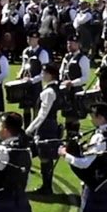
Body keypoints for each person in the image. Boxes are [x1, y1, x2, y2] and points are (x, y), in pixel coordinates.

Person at [25, 63, 65, 195]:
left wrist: (29, 129)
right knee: (43, 156)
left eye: (44, 73)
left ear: (50, 74)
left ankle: (47, 187)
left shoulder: (49, 92)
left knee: (45, 157)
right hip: (50, 124)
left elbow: (42, 114)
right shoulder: (54, 88)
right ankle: (46, 186)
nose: (42, 75)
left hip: (46, 126)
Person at [60, 36, 91, 138]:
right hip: (65, 90)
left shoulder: (83, 58)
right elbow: (62, 72)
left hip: (76, 90)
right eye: (68, 43)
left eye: (72, 43)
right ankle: (68, 137)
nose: (69, 45)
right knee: (67, 115)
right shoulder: (66, 57)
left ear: (78, 44)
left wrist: (72, 83)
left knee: (74, 116)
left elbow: (85, 77)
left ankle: (74, 138)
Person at [17, 32, 50, 126]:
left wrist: (32, 80)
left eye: (32, 38)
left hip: (36, 84)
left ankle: (35, 129)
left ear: (37, 39)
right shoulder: (26, 51)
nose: (30, 40)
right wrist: (20, 74)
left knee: (36, 108)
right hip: (25, 83)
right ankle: (26, 127)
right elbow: (23, 65)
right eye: (29, 38)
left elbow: (44, 72)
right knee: (25, 108)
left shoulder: (43, 53)